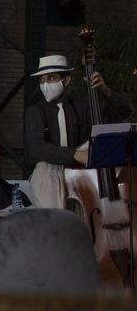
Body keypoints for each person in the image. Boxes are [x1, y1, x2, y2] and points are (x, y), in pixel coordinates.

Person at [23, 52, 132, 210]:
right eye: (42, 80)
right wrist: (74, 154)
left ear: (66, 80)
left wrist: (104, 89)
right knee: (58, 223)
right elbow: (36, 147)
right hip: (50, 171)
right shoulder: (36, 111)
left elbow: (123, 112)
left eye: (51, 78)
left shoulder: (82, 106)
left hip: (81, 171)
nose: (45, 84)